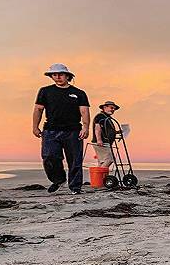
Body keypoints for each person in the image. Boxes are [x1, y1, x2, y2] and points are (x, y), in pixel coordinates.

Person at [32, 63, 90, 194]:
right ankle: (58, 179)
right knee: (49, 156)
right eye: (54, 74)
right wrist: (35, 127)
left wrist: (86, 128)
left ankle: (75, 187)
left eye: (61, 74)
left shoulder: (79, 93)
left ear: (67, 76)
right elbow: (38, 109)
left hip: (74, 131)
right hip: (51, 130)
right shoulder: (45, 91)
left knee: (75, 160)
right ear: (51, 76)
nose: (57, 77)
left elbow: (84, 112)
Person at [90, 101, 120, 168]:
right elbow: (97, 127)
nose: (113, 110)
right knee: (109, 159)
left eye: (114, 109)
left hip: (105, 142)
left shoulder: (106, 117)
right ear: (104, 107)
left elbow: (106, 130)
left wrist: (117, 132)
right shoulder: (101, 116)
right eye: (111, 108)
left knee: (102, 161)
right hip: (102, 142)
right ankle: (100, 176)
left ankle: (100, 177)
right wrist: (99, 140)